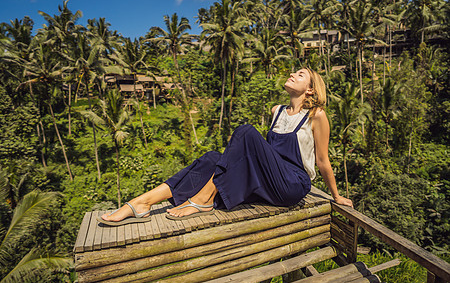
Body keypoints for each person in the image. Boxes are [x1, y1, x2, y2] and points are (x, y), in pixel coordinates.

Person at [97, 67, 353, 226]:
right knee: (210, 158)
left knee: (245, 131)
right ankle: (143, 202)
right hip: (267, 178)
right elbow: (261, 157)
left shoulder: (316, 115)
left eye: (300, 75)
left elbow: (322, 161)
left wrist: (336, 196)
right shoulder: (277, 111)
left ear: (310, 90)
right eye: (293, 71)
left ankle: (203, 199)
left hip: (291, 185)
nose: (292, 74)